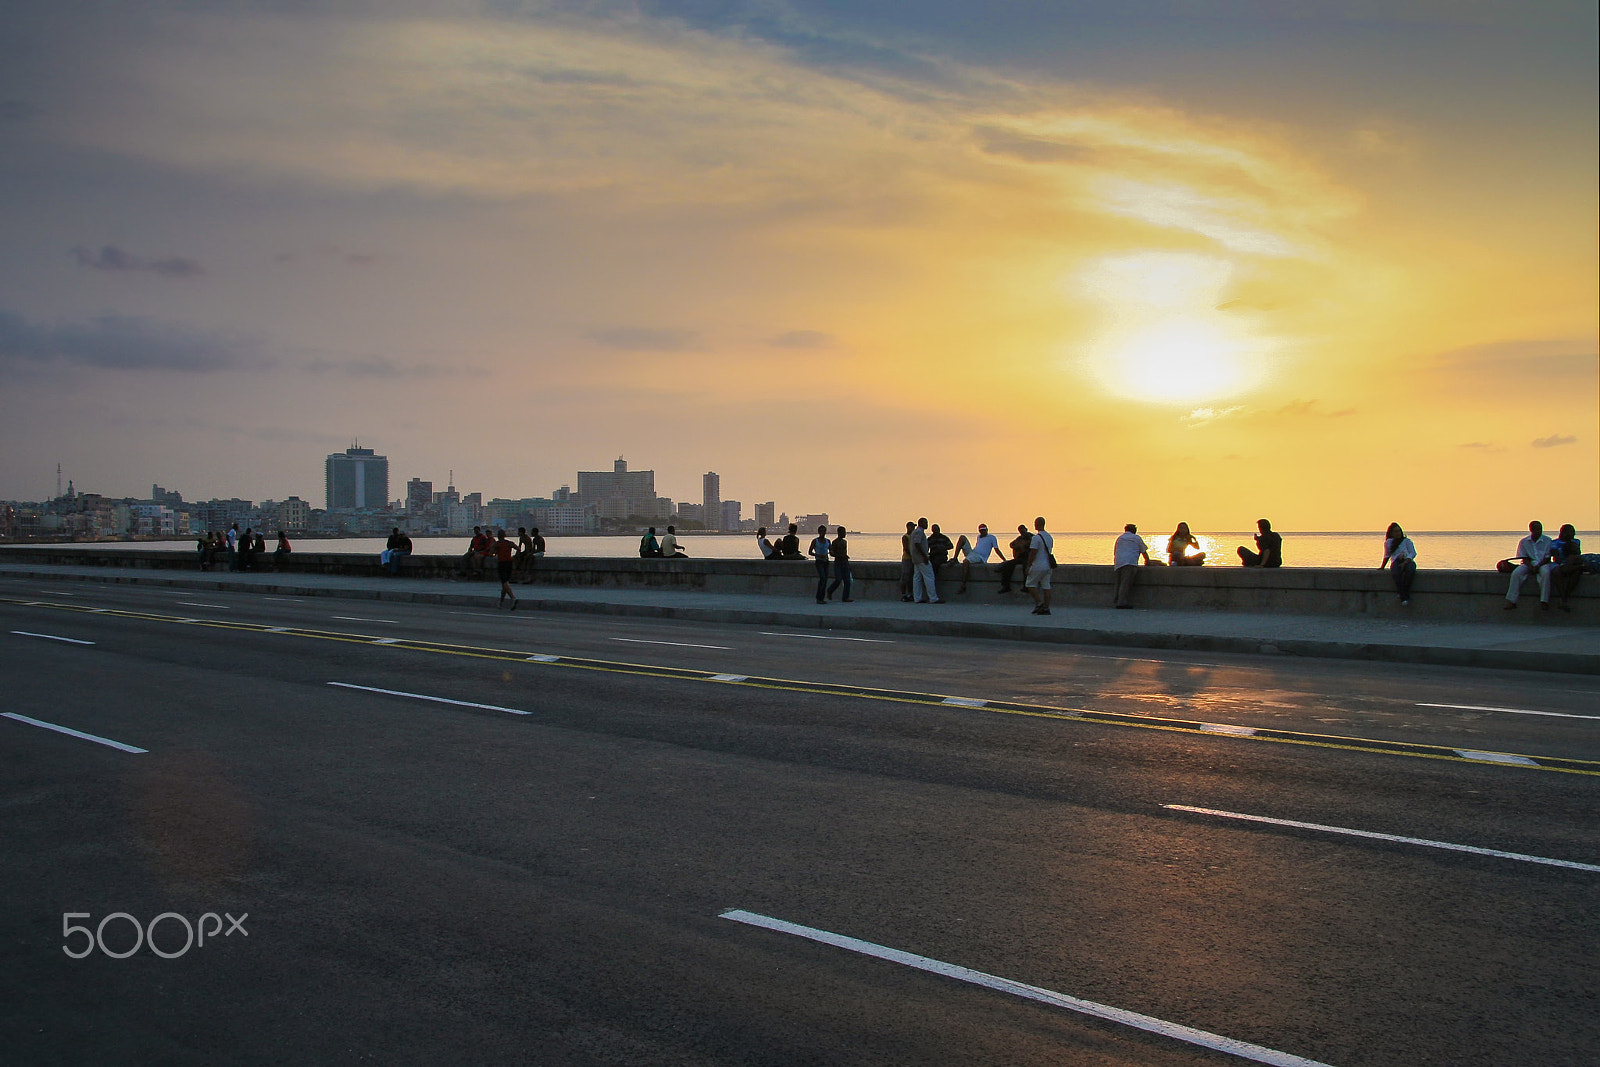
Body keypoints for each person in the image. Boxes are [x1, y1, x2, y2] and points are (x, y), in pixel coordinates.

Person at [1503, 520, 1554, 610]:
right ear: (1531, 530)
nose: (1539, 531)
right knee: (1516, 573)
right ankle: (1512, 601)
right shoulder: (1524, 541)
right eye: (1536, 529)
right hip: (1529, 563)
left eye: (1540, 529)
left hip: (1543, 563)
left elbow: (1547, 557)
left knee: (1546, 573)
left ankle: (1544, 601)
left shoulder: (1547, 540)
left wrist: (1538, 566)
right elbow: (1524, 557)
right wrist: (1531, 567)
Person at [951, 524, 1003, 593]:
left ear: (987, 530)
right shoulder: (978, 537)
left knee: (966, 562)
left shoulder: (992, 537)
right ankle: (955, 558)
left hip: (980, 557)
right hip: (973, 553)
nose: (983, 532)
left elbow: (996, 549)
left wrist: (1004, 560)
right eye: (981, 530)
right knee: (962, 537)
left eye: (984, 530)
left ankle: (963, 584)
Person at [1113, 523, 1150, 608]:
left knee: (1119, 583)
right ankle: (1121, 603)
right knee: (1126, 583)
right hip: (1130, 562)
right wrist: (1148, 561)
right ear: (1135, 531)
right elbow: (1143, 551)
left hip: (1119, 562)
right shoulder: (1136, 538)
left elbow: (1115, 551)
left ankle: (1117, 599)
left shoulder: (1120, 538)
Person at [1548, 524, 1583, 613]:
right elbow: (1556, 558)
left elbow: (1577, 555)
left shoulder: (1576, 541)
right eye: (1571, 532)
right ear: (1564, 533)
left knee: (1576, 571)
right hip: (1559, 563)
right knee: (1556, 572)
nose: (1573, 535)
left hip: (1571, 563)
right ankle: (1564, 599)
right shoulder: (1554, 543)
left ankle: (1564, 598)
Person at [1379, 523, 1416, 605]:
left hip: (1408, 560)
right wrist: (1382, 567)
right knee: (1396, 573)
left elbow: (1413, 553)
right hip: (1396, 561)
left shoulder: (1407, 541)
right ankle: (1404, 596)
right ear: (1391, 533)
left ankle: (1403, 594)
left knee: (1410, 571)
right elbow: (1387, 555)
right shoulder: (1388, 542)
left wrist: (1405, 562)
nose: (1398, 533)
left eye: (1399, 531)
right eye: (1396, 531)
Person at [909, 517, 943, 603]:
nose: (927, 524)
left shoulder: (915, 532)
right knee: (929, 577)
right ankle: (933, 598)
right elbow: (917, 544)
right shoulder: (919, 532)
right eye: (926, 523)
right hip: (921, 558)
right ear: (922, 523)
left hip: (916, 558)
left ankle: (917, 598)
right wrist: (924, 556)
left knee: (917, 578)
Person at [1025, 516, 1054, 615]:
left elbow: (1033, 553)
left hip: (1038, 565)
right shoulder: (1049, 537)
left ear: (1037, 524)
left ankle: (1039, 603)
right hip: (1048, 565)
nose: (1034, 524)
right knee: (1046, 586)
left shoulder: (1036, 538)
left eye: (1035, 523)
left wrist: (1028, 566)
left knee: (1029, 584)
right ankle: (1046, 608)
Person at [997, 524, 1032, 593]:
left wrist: (1023, 546)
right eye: (1020, 532)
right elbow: (1011, 544)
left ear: (1026, 529)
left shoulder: (1032, 537)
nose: (1022, 533)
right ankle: (1006, 586)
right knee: (1008, 565)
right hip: (1020, 557)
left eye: (1023, 531)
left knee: (1025, 567)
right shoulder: (1019, 538)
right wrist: (1016, 547)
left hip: (1028, 557)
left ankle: (1026, 586)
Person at [493, 529, 519, 609]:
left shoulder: (497, 544)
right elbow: (518, 549)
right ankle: (501, 602)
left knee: (504, 582)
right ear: (505, 535)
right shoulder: (509, 543)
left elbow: (491, 553)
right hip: (509, 563)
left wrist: (496, 552)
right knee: (505, 583)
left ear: (498, 536)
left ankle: (513, 598)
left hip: (502, 563)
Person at [826, 526, 853, 602]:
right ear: (839, 533)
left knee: (847, 581)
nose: (845, 534)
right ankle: (830, 591)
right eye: (843, 532)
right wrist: (840, 556)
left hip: (845, 562)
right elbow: (832, 553)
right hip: (838, 562)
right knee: (838, 579)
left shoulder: (845, 542)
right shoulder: (835, 542)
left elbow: (845, 552)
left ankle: (845, 597)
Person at [807, 525, 831, 604]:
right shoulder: (815, 541)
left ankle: (822, 598)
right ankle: (819, 598)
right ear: (818, 532)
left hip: (826, 562)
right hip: (819, 562)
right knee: (822, 578)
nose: (822, 533)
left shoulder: (828, 541)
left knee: (825, 580)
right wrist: (818, 555)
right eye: (821, 531)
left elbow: (831, 551)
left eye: (824, 531)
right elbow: (810, 552)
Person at [899, 521, 916, 601]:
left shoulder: (913, 536)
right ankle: (903, 595)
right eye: (912, 527)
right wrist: (912, 556)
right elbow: (906, 549)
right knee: (905, 577)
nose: (914, 528)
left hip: (913, 559)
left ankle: (910, 594)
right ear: (908, 527)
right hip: (907, 559)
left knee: (910, 578)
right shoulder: (905, 537)